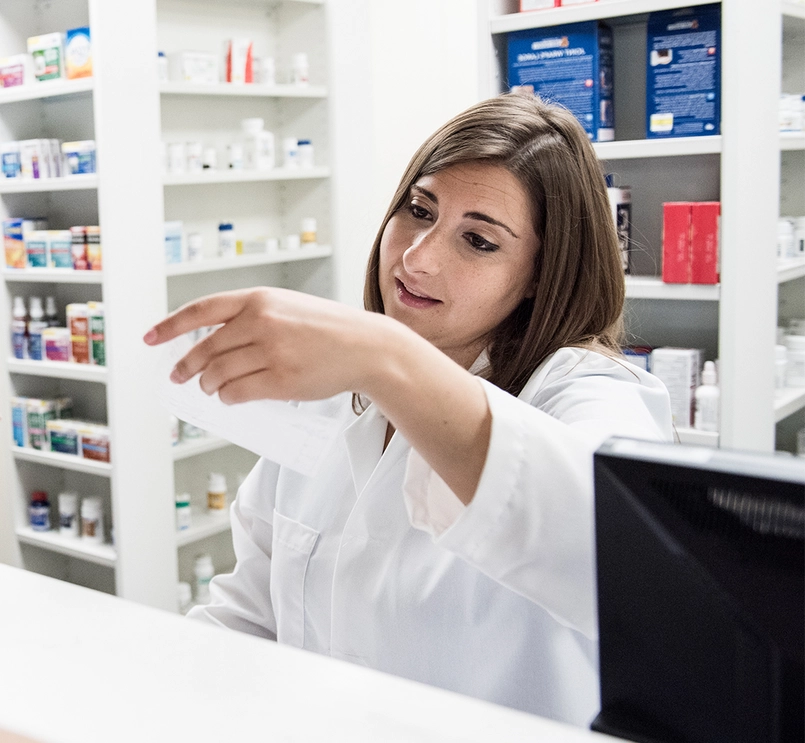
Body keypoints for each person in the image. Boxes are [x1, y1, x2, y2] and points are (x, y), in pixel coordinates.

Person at [144, 93, 673, 727]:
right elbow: (251, 614)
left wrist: (386, 356)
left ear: (539, 273)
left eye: (478, 241)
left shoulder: (587, 390)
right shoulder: (340, 392)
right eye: (419, 210)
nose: (417, 257)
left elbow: (612, 544)